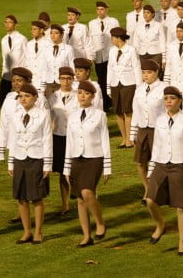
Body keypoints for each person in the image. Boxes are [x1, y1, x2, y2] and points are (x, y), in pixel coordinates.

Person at [143, 85, 183, 256]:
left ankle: (182, 242)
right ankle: (160, 225)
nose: (168, 102)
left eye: (172, 99)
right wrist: (151, 169)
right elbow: (157, 145)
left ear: (179, 101)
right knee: (150, 200)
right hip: (160, 164)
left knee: (181, 207)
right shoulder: (159, 120)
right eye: (166, 99)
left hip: (180, 165)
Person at [62, 80, 111, 247]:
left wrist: (108, 166)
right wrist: (66, 167)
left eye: (86, 93)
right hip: (77, 159)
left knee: (87, 192)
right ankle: (86, 236)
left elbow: (105, 141)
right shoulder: (73, 116)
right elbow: (70, 142)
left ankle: (100, 222)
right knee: (80, 199)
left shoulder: (100, 115)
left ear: (93, 96)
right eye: (80, 93)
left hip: (94, 158)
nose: (82, 96)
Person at [8, 82, 52, 244]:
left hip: (36, 158)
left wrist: (47, 164)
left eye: (27, 96)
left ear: (35, 97)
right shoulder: (15, 115)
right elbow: (12, 139)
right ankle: (27, 231)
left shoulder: (42, 116)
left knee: (37, 197)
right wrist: (11, 163)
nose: (23, 99)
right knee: (21, 197)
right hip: (20, 158)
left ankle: (38, 232)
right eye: (21, 96)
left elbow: (47, 140)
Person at [130, 59, 167, 188]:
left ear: (157, 72)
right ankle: (148, 189)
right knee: (141, 162)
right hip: (142, 129)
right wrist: (133, 133)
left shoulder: (164, 88)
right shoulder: (139, 89)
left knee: (158, 162)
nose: (145, 75)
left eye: (149, 72)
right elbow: (136, 111)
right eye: (143, 72)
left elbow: (169, 111)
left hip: (158, 130)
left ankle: (159, 188)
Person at [48, 66, 77, 217]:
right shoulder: (53, 98)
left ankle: (81, 198)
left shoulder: (79, 96)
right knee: (61, 171)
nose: (66, 81)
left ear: (73, 80)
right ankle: (65, 204)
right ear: (59, 79)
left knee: (77, 169)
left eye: (69, 78)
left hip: (74, 137)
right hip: (59, 136)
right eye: (63, 78)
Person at [107, 26, 141, 148]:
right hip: (115, 83)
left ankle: (130, 139)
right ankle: (124, 138)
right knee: (118, 111)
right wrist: (108, 86)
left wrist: (139, 86)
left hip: (129, 83)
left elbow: (136, 68)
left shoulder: (131, 50)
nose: (111, 39)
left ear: (119, 38)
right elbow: (110, 68)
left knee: (128, 111)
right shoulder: (112, 51)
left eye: (113, 37)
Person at [86, 1, 117, 112]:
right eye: (98, 9)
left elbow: (117, 38)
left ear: (106, 10)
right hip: (99, 56)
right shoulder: (92, 23)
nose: (100, 11)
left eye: (102, 9)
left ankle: (112, 101)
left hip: (111, 55)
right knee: (101, 79)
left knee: (112, 78)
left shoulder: (113, 21)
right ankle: (105, 102)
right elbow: (91, 40)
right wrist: (92, 56)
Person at [0, 15, 27, 104]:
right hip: (7, 74)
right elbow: (4, 58)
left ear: (15, 25)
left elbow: (27, 56)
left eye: (10, 22)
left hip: (19, 74)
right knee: (2, 98)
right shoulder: (3, 40)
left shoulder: (22, 39)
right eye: (5, 22)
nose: (7, 24)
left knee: (20, 96)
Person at [22, 20, 53, 93]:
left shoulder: (48, 44)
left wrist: (44, 86)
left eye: (34, 29)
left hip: (44, 84)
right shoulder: (29, 44)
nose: (32, 31)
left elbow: (50, 66)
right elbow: (26, 63)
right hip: (31, 84)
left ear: (41, 30)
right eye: (31, 29)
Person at [44, 24, 74, 97]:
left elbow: (72, 67)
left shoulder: (68, 49)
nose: (53, 35)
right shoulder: (46, 49)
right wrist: (43, 86)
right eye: (51, 33)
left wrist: (73, 83)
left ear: (62, 35)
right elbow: (44, 68)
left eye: (56, 33)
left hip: (63, 84)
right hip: (49, 83)